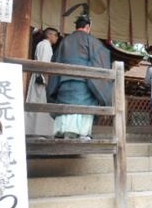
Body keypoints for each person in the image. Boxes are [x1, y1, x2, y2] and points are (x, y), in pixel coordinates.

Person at [47, 13, 112, 141]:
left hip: (63, 87)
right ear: (87, 27)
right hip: (84, 88)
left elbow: (55, 63)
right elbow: (100, 64)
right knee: (85, 107)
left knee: (66, 112)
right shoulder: (93, 42)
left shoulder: (64, 42)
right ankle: (83, 133)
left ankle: (63, 132)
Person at [25, 28, 59, 136]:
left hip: (36, 75)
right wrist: (45, 79)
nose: (57, 38)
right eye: (55, 35)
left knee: (34, 102)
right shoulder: (46, 46)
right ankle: (40, 132)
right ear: (49, 35)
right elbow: (44, 64)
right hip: (40, 77)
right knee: (41, 104)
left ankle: (31, 130)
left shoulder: (40, 44)